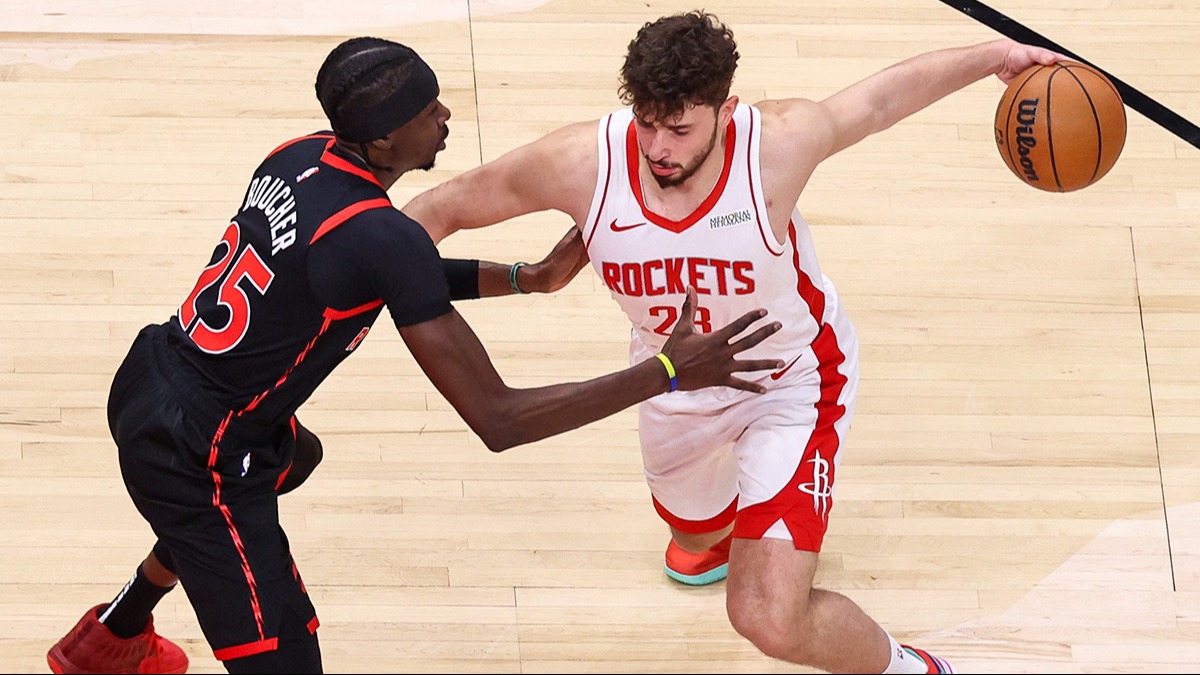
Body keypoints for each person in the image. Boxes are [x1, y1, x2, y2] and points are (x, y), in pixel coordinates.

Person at [45, 36, 785, 674]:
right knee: (287, 649)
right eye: (428, 111)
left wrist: (528, 278)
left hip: (153, 376)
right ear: (383, 143)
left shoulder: (296, 156)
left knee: (292, 458)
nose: (446, 116)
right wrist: (665, 372)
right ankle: (116, 640)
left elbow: (375, 266)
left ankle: (113, 633)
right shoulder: (382, 236)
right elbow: (499, 419)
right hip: (200, 451)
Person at [401, 10, 1065, 675]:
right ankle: (721, 537)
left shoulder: (776, 145)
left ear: (726, 111)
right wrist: (354, 282)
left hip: (791, 382)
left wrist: (995, 56)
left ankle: (918, 668)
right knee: (692, 538)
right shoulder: (581, 163)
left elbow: (881, 102)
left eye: (680, 129)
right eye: (646, 124)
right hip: (672, 377)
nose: (658, 147)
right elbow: (434, 211)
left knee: (767, 617)